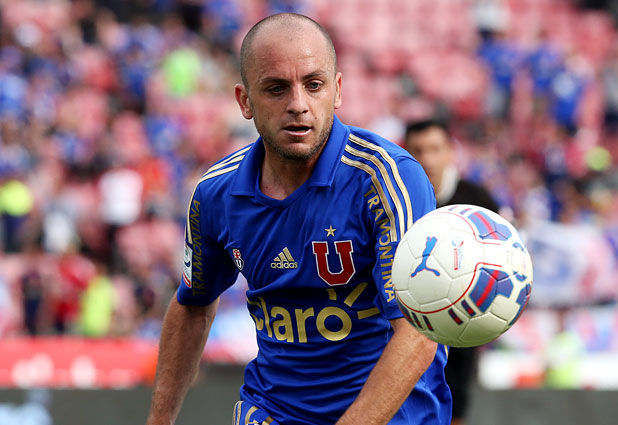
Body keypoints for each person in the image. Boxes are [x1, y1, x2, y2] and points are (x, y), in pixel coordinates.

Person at [147, 13, 452, 425]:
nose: (298, 104)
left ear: (337, 90)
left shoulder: (388, 178)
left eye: (313, 84)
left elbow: (417, 332)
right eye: (276, 88)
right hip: (273, 412)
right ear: (245, 101)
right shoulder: (215, 193)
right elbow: (192, 307)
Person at [404, 119, 499, 425]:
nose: (427, 159)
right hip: (405, 323)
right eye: (418, 150)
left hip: (461, 326)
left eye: (434, 149)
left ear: (449, 152)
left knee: (453, 405)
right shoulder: (397, 199)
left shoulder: (479, 201)